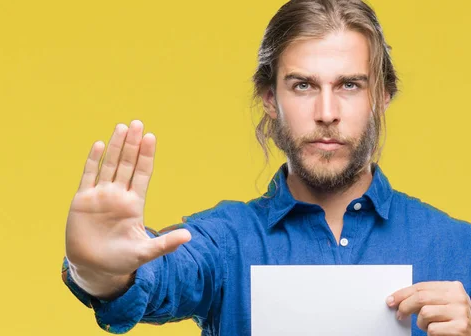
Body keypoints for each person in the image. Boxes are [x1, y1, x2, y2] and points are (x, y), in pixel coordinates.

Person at [61, 0, 471, 335]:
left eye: (349, 85)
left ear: (381, 96)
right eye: (303, 85)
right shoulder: (225, 244)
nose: (326, 112)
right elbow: (158, 276)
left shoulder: (459, 248)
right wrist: (100, 271)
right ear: (270, 99)